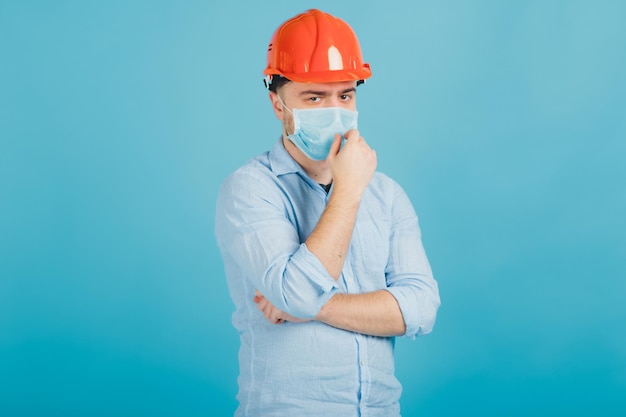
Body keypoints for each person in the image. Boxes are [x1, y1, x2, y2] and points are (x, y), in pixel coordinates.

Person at [215, 8, 440, 417]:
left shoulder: (387, 195)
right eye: (314, 97)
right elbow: (298, 292)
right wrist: (349, 190)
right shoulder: (249, 189)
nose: (334, 110)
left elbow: (420, 308)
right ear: (278, 104)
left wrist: (314, 307)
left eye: (345, 95)